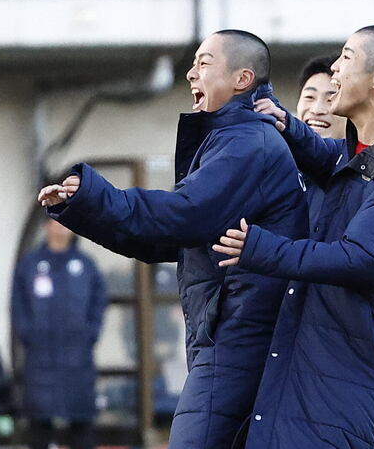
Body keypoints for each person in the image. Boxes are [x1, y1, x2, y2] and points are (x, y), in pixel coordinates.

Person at [38, 29, 309, 449]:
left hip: (238, 335)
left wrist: (96, 194)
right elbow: (164, 240)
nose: (189, 74)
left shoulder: (248, 142)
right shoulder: (230, 139)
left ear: (242, 79)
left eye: (203, 63)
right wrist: (85, 207)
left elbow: (184, 217)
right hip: (225, 332)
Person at [213, 25, 374, 449]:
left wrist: (259, 248)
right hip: (337, 356)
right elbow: (335, 164)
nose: (334, 70)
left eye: (347, 58)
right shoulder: (364, 150)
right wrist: (291, 129)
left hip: (370, 364)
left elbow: (367, 259)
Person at [11, 219, 107, 449]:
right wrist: (28, 334)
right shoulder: (31, 264)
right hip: (41, 356)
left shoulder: (85, 265)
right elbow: (18, 305)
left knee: (81, 424)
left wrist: (90, 333)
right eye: (56, 222)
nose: (62, 227)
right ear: (46, 226)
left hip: (78, 356)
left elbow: (98, 302)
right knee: (39, 425)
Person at [294, 55, 346, 229]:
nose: (317, 110)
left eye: (330, 99)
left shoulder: (360, 179)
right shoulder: (276, 166)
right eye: (309, 97)